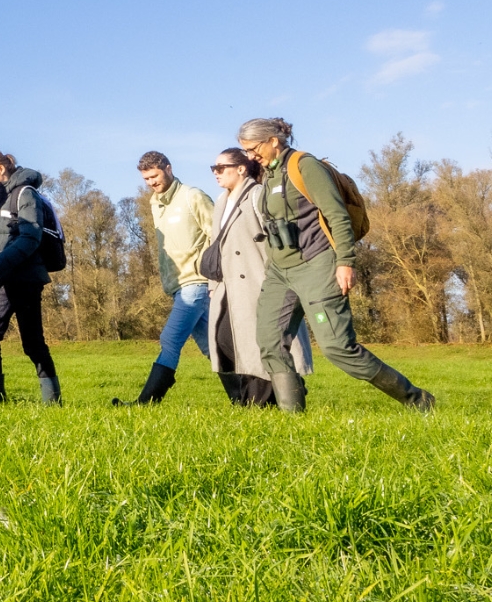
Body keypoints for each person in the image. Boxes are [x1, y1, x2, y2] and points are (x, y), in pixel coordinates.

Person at [236, 117, 435, 411]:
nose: (251, 156)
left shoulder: (305, 166)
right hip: (280, 272)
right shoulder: (269, 175)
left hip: (317, 265)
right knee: (269, 342)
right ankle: (293, 419)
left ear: (273, 141)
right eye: (246, 151)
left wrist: (345, 261)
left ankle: (417, 399)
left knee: (338, 348)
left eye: (253, 148)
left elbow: (337, 215)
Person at [204, 147, 312, 405]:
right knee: (224, 341)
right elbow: (215, 243)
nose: (215, 173)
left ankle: (263, 401)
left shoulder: (257, 195)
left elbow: (277, 237)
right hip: (227, 285)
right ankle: (261, 395)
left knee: (257, 343)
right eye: (213, 168)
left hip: (257, 282)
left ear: (241, 169)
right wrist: (212, 284)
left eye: (221, 168)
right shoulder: (221, 201)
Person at [116, 151, 216, 405]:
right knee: (212, 347)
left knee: (170, 339)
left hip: (195, 281)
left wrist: (212, 275)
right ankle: (248, 397)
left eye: (155, 175)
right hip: (176, 285)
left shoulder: (193, 196)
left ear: (169, 169)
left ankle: (146, 403)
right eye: (146, 178)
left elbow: (218, 235)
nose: (151, 182)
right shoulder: (154, 202)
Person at [0, 149, 60, 405]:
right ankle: (50, 403)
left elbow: (30, 237)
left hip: (20, 278)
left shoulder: (25, 194)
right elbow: (10, 238)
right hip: (16, 276)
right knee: (28, 343)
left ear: (1, 169)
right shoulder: (5, 197)